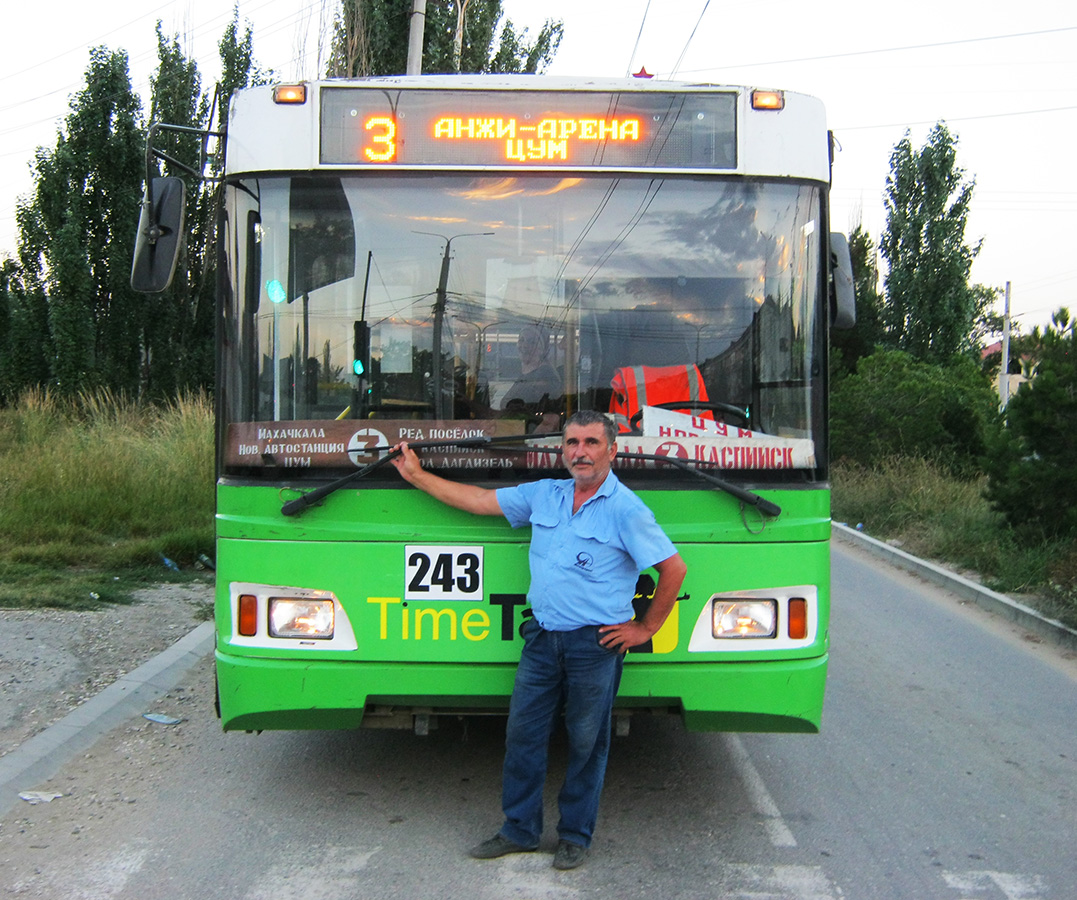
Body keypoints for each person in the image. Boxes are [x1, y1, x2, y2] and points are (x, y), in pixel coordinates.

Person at [390, 409, 687, 870]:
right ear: (561, 449)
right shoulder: (545, 495)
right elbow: (477, 500)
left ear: (612, 450)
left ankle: (574, 836)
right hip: (542, 640)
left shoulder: (626, 508)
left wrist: (645, 628)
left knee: (587, 742)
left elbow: (673, 569)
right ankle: (519, 830)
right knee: (523, 736)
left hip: (596, 647)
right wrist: (417, 475)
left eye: (591, 443)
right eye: (572, 443)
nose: (580, 452)